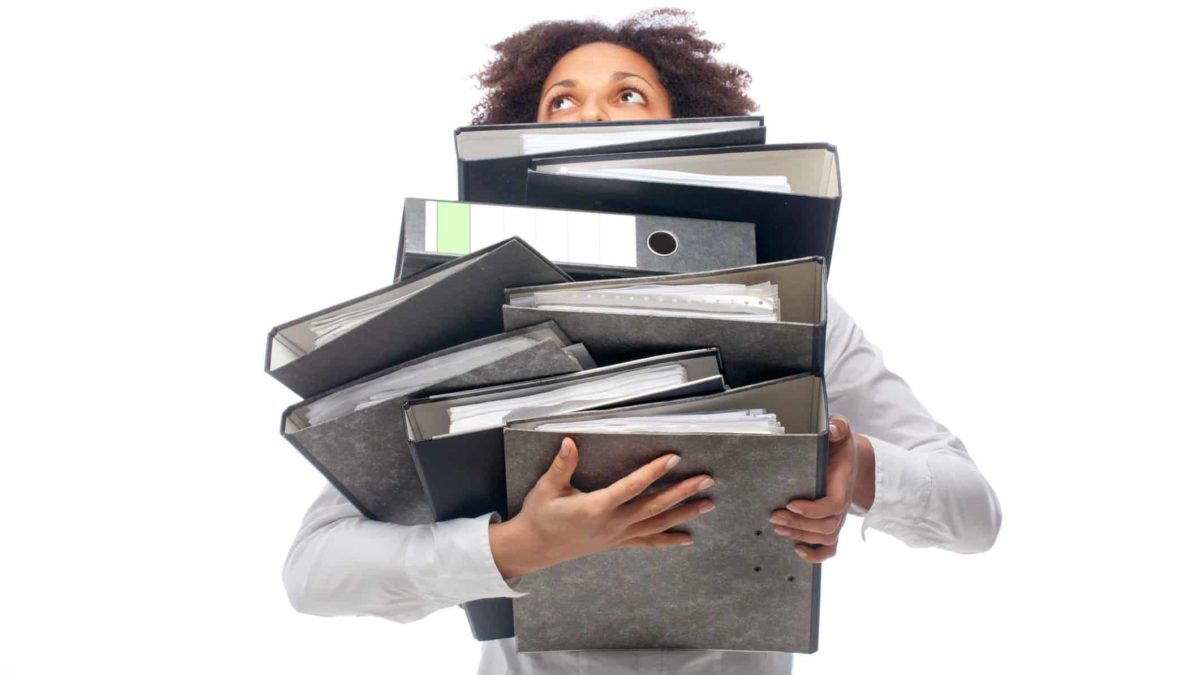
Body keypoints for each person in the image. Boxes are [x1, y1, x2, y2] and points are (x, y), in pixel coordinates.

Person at [283, 8, 1002, 675]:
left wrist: (862, 468)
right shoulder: (465, 318)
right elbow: (313, 571)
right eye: (560, 100)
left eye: (628, 94)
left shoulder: (790, 306)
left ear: (685, 135)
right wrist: (513, 547)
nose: (591, 112)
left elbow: (976, 514)